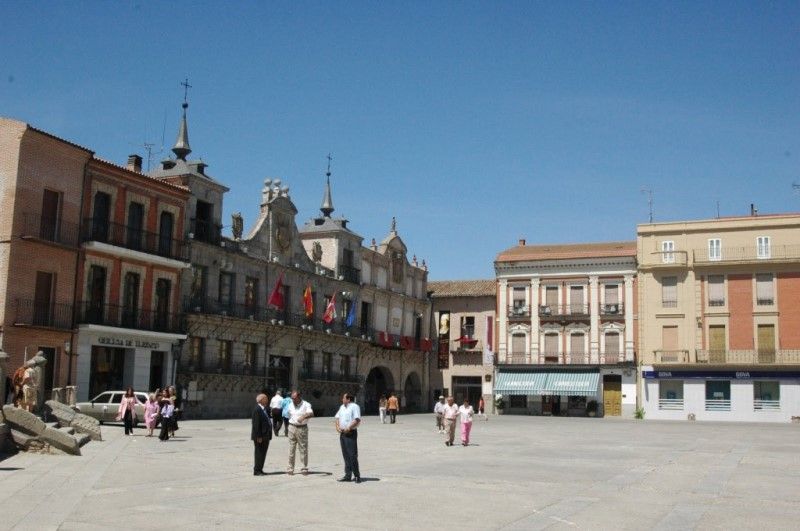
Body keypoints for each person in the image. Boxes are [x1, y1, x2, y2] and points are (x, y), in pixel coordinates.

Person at [334, 393, 361, 483]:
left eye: (343, 398)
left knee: (352, 455)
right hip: (342, 433)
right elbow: (337, 417)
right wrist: (337, 427)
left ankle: (357, 475)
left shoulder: (354, 406)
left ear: (348, 399)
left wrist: (348, 428)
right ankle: (348, 475)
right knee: (345, 455)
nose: (342, 399)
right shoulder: (342, 407)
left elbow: (357, 419)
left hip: (350, 433)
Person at [286, 391, 314, 475]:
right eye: (292, 398)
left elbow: (311, 413)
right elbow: (288, 415)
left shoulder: (306, 404)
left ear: (299, 397)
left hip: (302, 428)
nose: (293, 400)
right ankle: (290, 467)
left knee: (303, 448)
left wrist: (303, 417)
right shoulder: (290, 404)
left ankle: (304, 467)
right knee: (291, 448)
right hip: (292, 427)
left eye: (294, 398)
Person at [251, 393, 273, 476]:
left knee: (263, 453)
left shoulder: (265, 409)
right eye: (265, 398)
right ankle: (256, 470)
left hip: (266, 435)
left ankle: (260, 469)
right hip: (260, 436)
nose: (267, 400)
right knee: (259, 453)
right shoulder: (257, 410)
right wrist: (258, 436)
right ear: (261, 400)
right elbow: (256, 425)